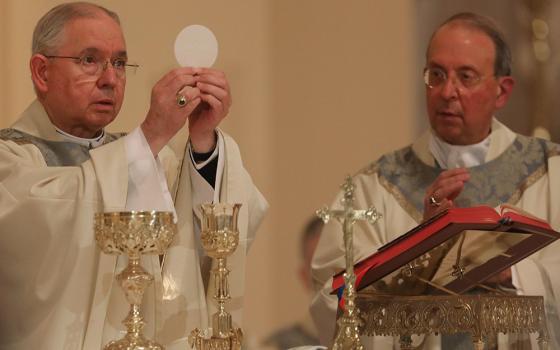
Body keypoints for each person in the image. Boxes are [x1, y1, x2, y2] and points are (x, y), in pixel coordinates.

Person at [0, 2, 267, 350]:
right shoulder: (11, 158)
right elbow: (46, 225)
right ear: (42, 72)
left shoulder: (153, 160)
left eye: (120, 63)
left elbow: (221, 234)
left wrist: (203, 143)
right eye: (89, 60)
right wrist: (152, 135)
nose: (110, 79)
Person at [311, 12, 560, 349]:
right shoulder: (376, 186)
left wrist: (511, 273)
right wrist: (421, 250)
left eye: (466, 76)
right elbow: (334, 302)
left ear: (502, 91)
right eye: (437, 75)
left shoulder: (550, 172)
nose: (447, 92)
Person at [263, 217, 322, 350]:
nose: (329, 279)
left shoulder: (372, 340)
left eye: (336, 265)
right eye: (317, 267)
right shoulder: (278, 345)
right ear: (304, 276)